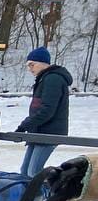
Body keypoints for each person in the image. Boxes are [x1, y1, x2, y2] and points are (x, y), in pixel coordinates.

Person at [16, 47, 72, 177]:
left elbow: (47, 110)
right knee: (25, 172)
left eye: (32, 64)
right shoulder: (44, 78)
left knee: (33, 172)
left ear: (42, 63)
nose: (30, 69)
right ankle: (28, 196)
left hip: (49, 132)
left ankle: (46, 195)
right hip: (38, 131)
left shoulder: (53, 79)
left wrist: (25, 125)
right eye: (28, 66)